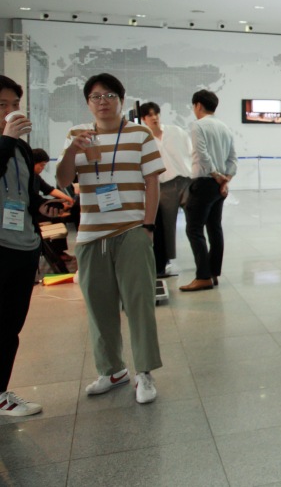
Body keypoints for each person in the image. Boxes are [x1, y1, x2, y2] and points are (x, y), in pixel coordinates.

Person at [55, 73, 164, 404]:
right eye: (96, 96)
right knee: (98, 306)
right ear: (88, 103)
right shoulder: (77, 135)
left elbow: (152, 182)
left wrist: (147, 227)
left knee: (139, 304)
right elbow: (63, 180)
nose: (103, 101)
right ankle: (113, 370)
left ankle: (144, 372)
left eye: (110, 95)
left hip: (131, 229)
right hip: (91, 234)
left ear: (121, 99)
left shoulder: (140, 134)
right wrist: (72, 150)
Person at [1, 75, 62, 416]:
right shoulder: (10, 143)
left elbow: (27, 193)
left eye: (14, 104)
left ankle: (1, 393)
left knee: (10, 327)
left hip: (23, 246)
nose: (10, 111)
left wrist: (42, 207)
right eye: (2, 105)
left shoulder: (22, 148)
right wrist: (7, 139)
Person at [180, 89, 237, 292]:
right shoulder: (224, 127)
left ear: (198, 105)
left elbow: (202, 154)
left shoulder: (198, 125)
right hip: (218, 186)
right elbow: (232, 158)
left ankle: (203, 276)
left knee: (194, 229)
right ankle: (213, 272)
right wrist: (225, 180)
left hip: (204, 182)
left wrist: (215, 175)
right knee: (214, 228)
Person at [138, 102, 193, 278]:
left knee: (195, 225)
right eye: (150, 115)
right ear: (143, 119)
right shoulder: (144, 140)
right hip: (164, 186)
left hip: (185, 181)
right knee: (166, 226)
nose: (154, 117)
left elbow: (191, 152)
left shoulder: (176, 132)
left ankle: (202, 263)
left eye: (156, 114)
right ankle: (165, 262)